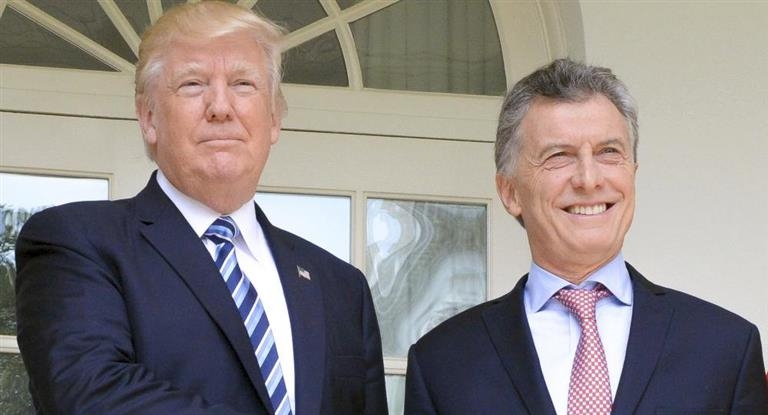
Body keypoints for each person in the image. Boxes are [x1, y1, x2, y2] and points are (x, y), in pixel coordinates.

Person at [15, 2, 387, 414]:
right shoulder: (77, 243)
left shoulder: (341, 287)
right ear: (149, 117)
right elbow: (89, 395)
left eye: (243, 84)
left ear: (274, 118)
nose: (221, 107)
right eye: (193, 84)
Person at [404, 58, 768, 414]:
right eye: (559, 156)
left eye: (609, 152)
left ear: (633, 173)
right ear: (510, 192)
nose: (589, 179)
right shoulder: (443, 363)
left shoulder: (725, 349)